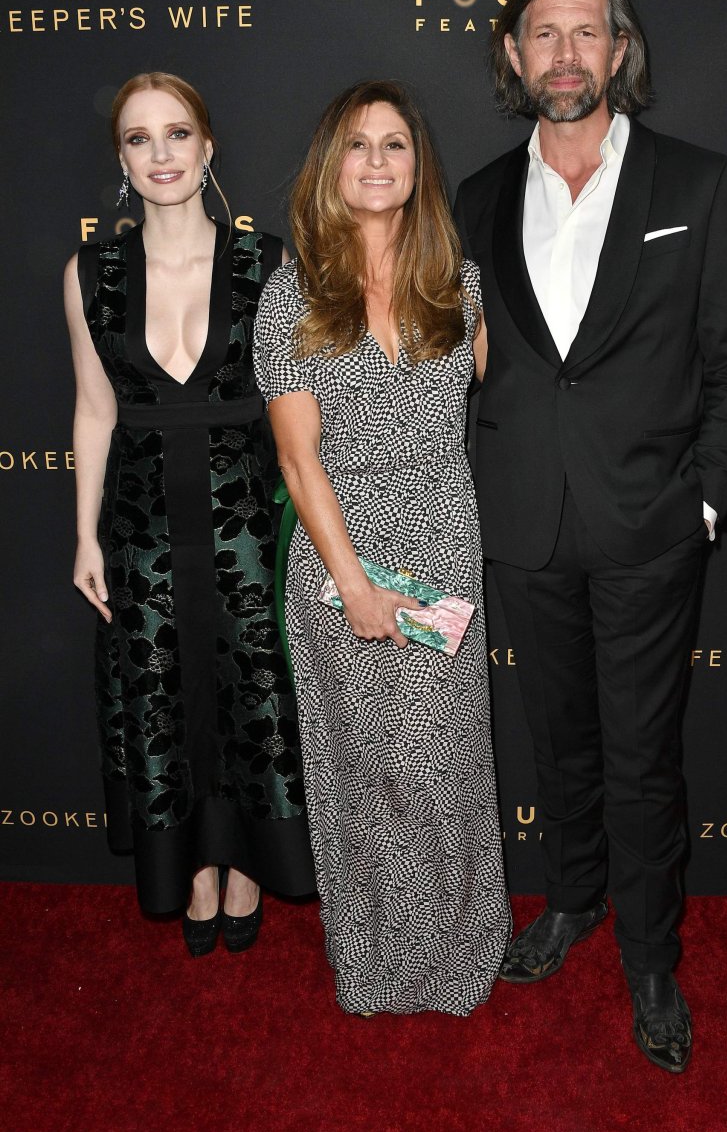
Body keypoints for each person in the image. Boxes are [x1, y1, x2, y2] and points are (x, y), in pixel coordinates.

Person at [453, 0, 727, 1071]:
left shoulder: (699, 184)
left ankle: (649, 957)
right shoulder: (477, 199)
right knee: (557, 741)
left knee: (641, 755)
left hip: (649, 526)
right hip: (524, 525)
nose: (564, 53)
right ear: (513, 55)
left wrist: (702, 505)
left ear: (619, 50)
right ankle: (572, 898)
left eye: (585, 31)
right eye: (543, 33)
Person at [253, 80, 511, 1016]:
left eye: (394, 144)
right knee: (365, 762)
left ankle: (461, 955)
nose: (375, 161)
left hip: (443, 539)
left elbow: (483, 402)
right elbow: (297, 459)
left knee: (446, 759)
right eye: (356, 145)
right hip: (341, 551)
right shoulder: (291, 295)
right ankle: (375, 961)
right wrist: (354, 584)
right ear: (331, 166)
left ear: (417, 165)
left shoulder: (459, 285)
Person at [64, 72, 315, 955]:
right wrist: (84, 534)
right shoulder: (90, 272)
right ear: (121, 159)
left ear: (207, 148)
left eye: (177, 134)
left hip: (247, 524)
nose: (161, 154)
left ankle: (246, 863)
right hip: (141, 530)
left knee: (254, 693)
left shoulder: (268, 264)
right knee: (161, 696)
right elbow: (94, 408)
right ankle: (192, 870)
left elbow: (298, 409)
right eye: (139, 138)